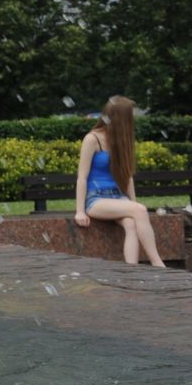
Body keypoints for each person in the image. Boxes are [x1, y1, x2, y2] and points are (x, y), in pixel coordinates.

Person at [73, 95, 164, 267]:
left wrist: (133, 204)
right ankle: (158, 264)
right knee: (139, 211)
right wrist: (80, 211)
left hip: (118, 197)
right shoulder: (93, 139)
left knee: (131, 224)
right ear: (121, 117)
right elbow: (82, 177)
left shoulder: (120, 140)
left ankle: (132, 270)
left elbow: (127, 176)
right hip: (96, 198)